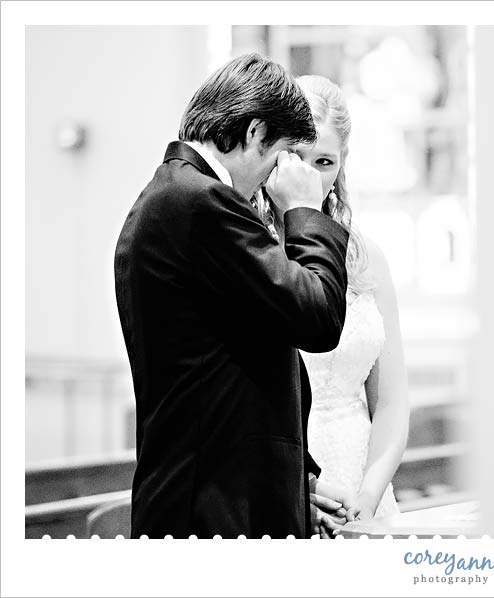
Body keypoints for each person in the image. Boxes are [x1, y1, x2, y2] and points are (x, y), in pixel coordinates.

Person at [113, 54, 349, 539]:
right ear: (256, 132)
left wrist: (296, 481)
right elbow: (318, 317)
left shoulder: (175, 195)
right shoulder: (201, 202)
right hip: (213, 511)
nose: (275, 176)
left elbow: (241, 359)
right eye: (280, 154)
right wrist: (304, 210)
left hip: (214, 497)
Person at [255, 75, 410, 538]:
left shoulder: (366, 258)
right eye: (295, 157)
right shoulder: (251, 252)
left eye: (324, 161)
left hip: (364, 483)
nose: (309, 176)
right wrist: (300, 489)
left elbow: (391, 404)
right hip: (284, 482)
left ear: (342, 165)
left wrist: (368, 496)